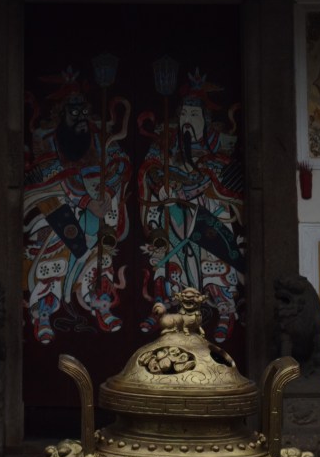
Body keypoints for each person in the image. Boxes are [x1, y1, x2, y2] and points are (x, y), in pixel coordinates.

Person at [23, 69, 131, 344]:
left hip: (98, 202)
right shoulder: (46, 137)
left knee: (101, 255)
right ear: (61, 112)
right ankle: (43, 312)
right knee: (53, 252)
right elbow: (49, 173)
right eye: (74, 111)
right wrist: (85, 201)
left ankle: (100, 304)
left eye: (83, 110)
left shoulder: (98, 135)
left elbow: (120, 162)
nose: (81, 117)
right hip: (57, 202)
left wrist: (108, 191)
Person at [138, 68, 244, 340]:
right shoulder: (166, 147)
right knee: (167, 259)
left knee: (215, 260)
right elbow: (151, 169)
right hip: (174, 213)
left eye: (194, 115)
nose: (188, 120)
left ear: (205, 120)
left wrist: (194, 185)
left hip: (209, 211)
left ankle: (225, 311)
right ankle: (162, 309)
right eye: (184, 114)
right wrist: (161, 186)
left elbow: (222, 178)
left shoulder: (218, 148)